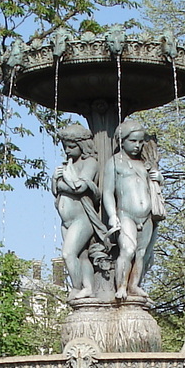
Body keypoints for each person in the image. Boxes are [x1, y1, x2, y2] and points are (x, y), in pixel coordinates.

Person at [104, 119, 166, 300]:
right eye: (133, 141)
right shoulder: (114, 163)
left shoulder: (144, 164)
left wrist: (159, 178)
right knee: (128, 250)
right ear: (121, 141)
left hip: (147, 216)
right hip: (126, 214)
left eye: (140, 141)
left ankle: (134, 286)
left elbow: (152, 190)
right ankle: (121, 286)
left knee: (141, 253)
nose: (137, 146)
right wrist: (112, 216)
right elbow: (107, 192)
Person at [52, 122, 105, 298]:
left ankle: (75, 288)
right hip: (66, 221)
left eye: (71, 146)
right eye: (65, 147)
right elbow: (57, 189)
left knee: (68, 254)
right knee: (81, 256)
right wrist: (55, 180)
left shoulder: (90, 162)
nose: (67, 151)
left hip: (82, 219)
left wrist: (62, 181)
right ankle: (88, 288)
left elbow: (80, 187)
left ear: (83, 145)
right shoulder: (69, 164)